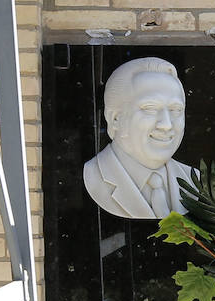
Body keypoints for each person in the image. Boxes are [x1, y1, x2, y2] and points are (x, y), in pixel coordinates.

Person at [83, 57, 194, 220]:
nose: (166, 125)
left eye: (176, 110)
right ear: (115, 119)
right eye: (150, 108)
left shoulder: (194, 179)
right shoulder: (93, 176)